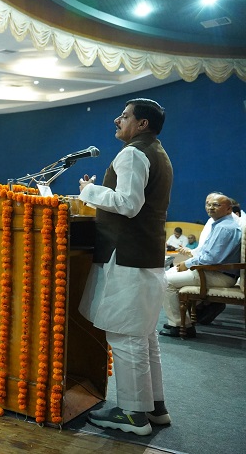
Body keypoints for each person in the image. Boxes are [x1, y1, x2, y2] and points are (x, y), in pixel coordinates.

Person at [78, 98, 172, 436]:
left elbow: (128, 205)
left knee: (125, 334)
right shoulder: (158, 152)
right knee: (144, 336)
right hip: (145, 258)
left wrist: (90, 191)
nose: (117, 120)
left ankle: (133, 414)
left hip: (127, 257)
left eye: (125, 116)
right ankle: (155, 407)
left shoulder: (133, 153)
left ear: (142, 124)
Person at [160, 193, 241, 337]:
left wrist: (188, 264)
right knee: (166, 275)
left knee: (165, 281)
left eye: (216, 205)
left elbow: (211, 258)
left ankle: (180, 325)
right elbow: (207, 253)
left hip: (219, 274)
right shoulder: (221, 224)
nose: (210, 207)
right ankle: (181, 321)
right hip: (213, 271)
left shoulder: (225, 228)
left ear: (229, 209)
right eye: (208, 204)